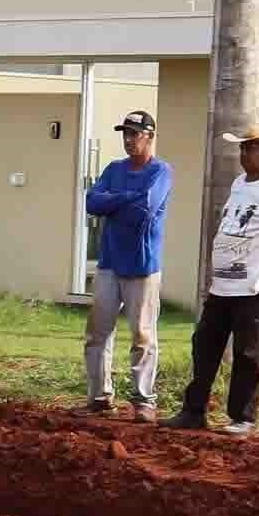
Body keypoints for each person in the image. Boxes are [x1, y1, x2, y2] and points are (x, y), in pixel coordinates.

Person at [168, 121, 259, 436]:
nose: (244, 153)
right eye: (242, 147)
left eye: (250, 148)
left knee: (248, 352)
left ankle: (244, 418)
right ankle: (193, 411)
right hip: (224, 284)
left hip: (256, 284)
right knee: (205, 346)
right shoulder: (241, 183)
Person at [81, 109, 171, 418]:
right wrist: (125, 197)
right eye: (125, 134)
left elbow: (145, 207)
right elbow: (92, 202)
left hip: (142, 266)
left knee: (142, 335)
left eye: (135, 134)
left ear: (150, 136)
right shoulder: (114, 168)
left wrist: (114, 200)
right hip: (108, 263)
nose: (129, 140)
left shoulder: (160, 171)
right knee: (97, 333)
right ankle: (99, 397)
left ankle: (144, 400)